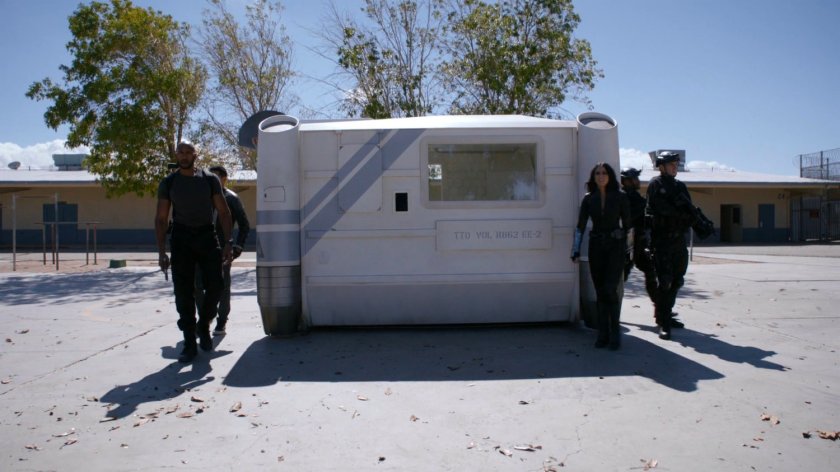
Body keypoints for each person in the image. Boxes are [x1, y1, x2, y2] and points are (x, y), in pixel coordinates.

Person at [155, 141, 233, 363]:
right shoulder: (169, 183)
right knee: (184, 292)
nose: (184, 155)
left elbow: (224, 212)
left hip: (207, 236)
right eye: (181, 152)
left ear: (195, 155)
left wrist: (228, 241)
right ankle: (190, 342)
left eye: (189, 152)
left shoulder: (210, 180)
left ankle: (204, 325)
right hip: (181, 238)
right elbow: (161, 218)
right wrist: (161, 251)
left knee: (217, 285)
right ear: (176, 155)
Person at [571, 162, 631, 350]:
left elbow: (629, 226)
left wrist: (629, 251)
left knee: (610, 290)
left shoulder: (620, 197)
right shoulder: (589, 199)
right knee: (600, 292)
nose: (601, 176)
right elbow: (580, 226)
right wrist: (575, 249)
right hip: (596, 247)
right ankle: (602, 333)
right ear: (593, 177)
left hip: (616, 248)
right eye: (597, 173)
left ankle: (615, 334)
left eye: (604, 173)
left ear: (610, 176)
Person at [621, 167, 685, 329]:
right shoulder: (625, 198)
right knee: (622, 278)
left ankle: (662, 313)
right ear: (627, 180)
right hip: (630, 245)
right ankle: (661, 313)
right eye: (634, 178)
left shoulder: (634, 198)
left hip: (640, 244)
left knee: (652, 277)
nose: (637, 181)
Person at [194, 165, 251, 336]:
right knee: (197, 285)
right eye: (211, 176)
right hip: (200, 249)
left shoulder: (231, 198)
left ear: (225, 179)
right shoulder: (201, 197)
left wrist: (237, 246)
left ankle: (221, 321)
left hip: (223, 250)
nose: (214, 179)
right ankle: (205, 317)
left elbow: (244, 225)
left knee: (222, 286)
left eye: (218, 176)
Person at [645, 151, 694, 340]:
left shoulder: (680, 186)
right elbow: (658, 209)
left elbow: (689, 210)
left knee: (677, 280)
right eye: (671, 164)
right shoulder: (655, 184)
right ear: (662, 166)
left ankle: (666, 314)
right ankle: (664, 322)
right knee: (664, 282)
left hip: (678, 241)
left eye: (676, 164)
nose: (675, 167)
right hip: (662, 241)